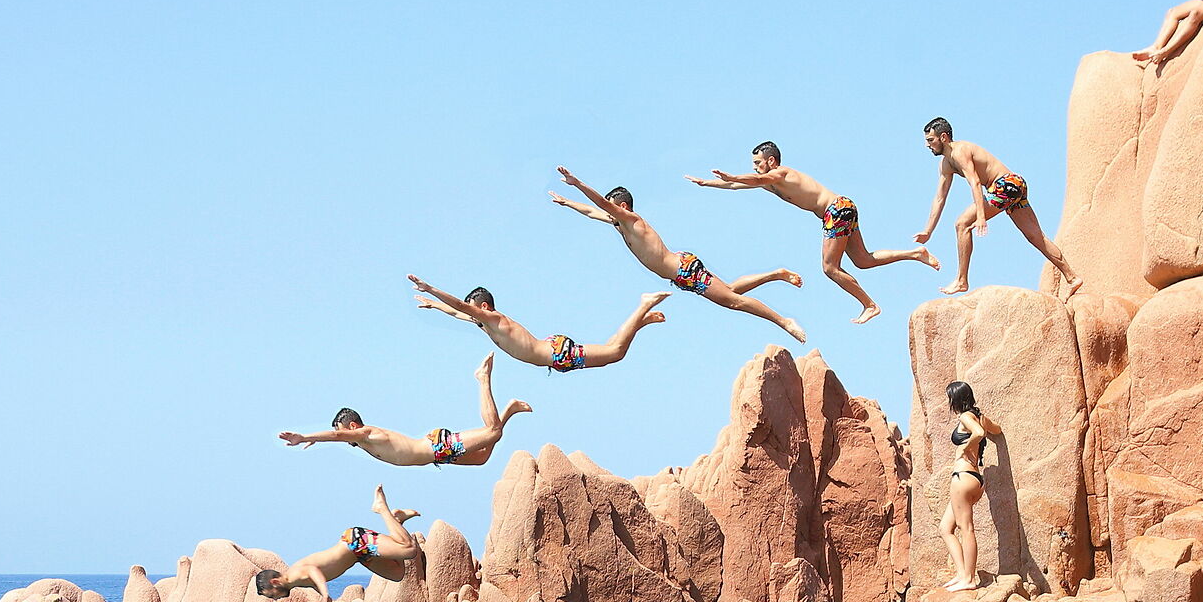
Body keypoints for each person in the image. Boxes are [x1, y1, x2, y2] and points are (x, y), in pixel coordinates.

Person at [688, 142, 940, 325]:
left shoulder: (781, 173)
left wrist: (735, 175)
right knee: (863, 261)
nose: (754, 169)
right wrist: (706, 183)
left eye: (757, 164)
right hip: (842, 207)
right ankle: (916, 253)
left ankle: (870, 305)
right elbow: (736, 185)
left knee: (830, 268)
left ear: (771, 161)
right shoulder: (769, 182)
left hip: (836, 210)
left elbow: (748, 181)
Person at [549, 167, 809, 342]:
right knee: (730, 290)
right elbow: (594, 212)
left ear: (624, 207)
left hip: (683, 270)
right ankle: (777, 273)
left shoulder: (631, 219)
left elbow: (602, 206)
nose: (610, 214)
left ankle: (783, 321)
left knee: (732, 301)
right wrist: (567, 202)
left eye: (614, 209)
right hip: (682, 269)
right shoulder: (618, 224)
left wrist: (578, 184)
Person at [915, 119, 1078, 297]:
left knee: (962, 224)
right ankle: (1072, 278)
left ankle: (962, 280)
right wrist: (928, 231)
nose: (927, 145)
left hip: (1005, 184)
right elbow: (939, 198)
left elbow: (975, 182)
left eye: (931, 140)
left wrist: (981, 216)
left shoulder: (960, 151)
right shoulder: (946, 164)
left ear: (943, 137)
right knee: (1036, 237)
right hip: (1015, 185)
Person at [278, 355, 531, 467]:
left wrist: (306, 436)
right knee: (481, 458)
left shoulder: (367, 434)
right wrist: (319, 441)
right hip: (434, 454)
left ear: (353, 426)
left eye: (344, 433)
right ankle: (508, 411)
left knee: (493, 432)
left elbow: (337, 437)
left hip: (435, 447)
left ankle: (482, 378)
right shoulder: (362, 442)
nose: (344, 438)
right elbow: (337, 438)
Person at [407, 276, 670, 373]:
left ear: (485, 307)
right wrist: (435, 306)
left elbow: (461, 308)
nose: (473, 315)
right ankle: (641, 320)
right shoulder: (485, 324)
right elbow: (459, 314)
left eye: (476, 310)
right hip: (553, 354)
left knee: (615, 352)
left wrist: (431, 289)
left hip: (556, 353)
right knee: (612, 350)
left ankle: (643, 306)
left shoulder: (495, 319)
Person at [259, 486, 424, 598]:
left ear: (275, 582)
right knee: (397, 574)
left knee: (408, 549)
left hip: (354, 542)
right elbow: (312, 580)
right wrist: (320, 593)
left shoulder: (292, 576)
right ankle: (398, 521)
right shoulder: (295, 580)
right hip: (359, 555)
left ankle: (382, 508)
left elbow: (313, 571)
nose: (275, 598)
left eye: (271, 595)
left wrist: (325, 595)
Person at [939, 380, 1001, 592]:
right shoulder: (980, 417)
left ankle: (969, 579)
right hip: (973, 479)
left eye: (950, 398)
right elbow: (996, 430)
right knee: (945, 528)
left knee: (966, 529)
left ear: (956, 399)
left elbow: (980, 433)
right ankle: (961, 573)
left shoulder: (966, 417)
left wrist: (963, 448)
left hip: (963, 477)